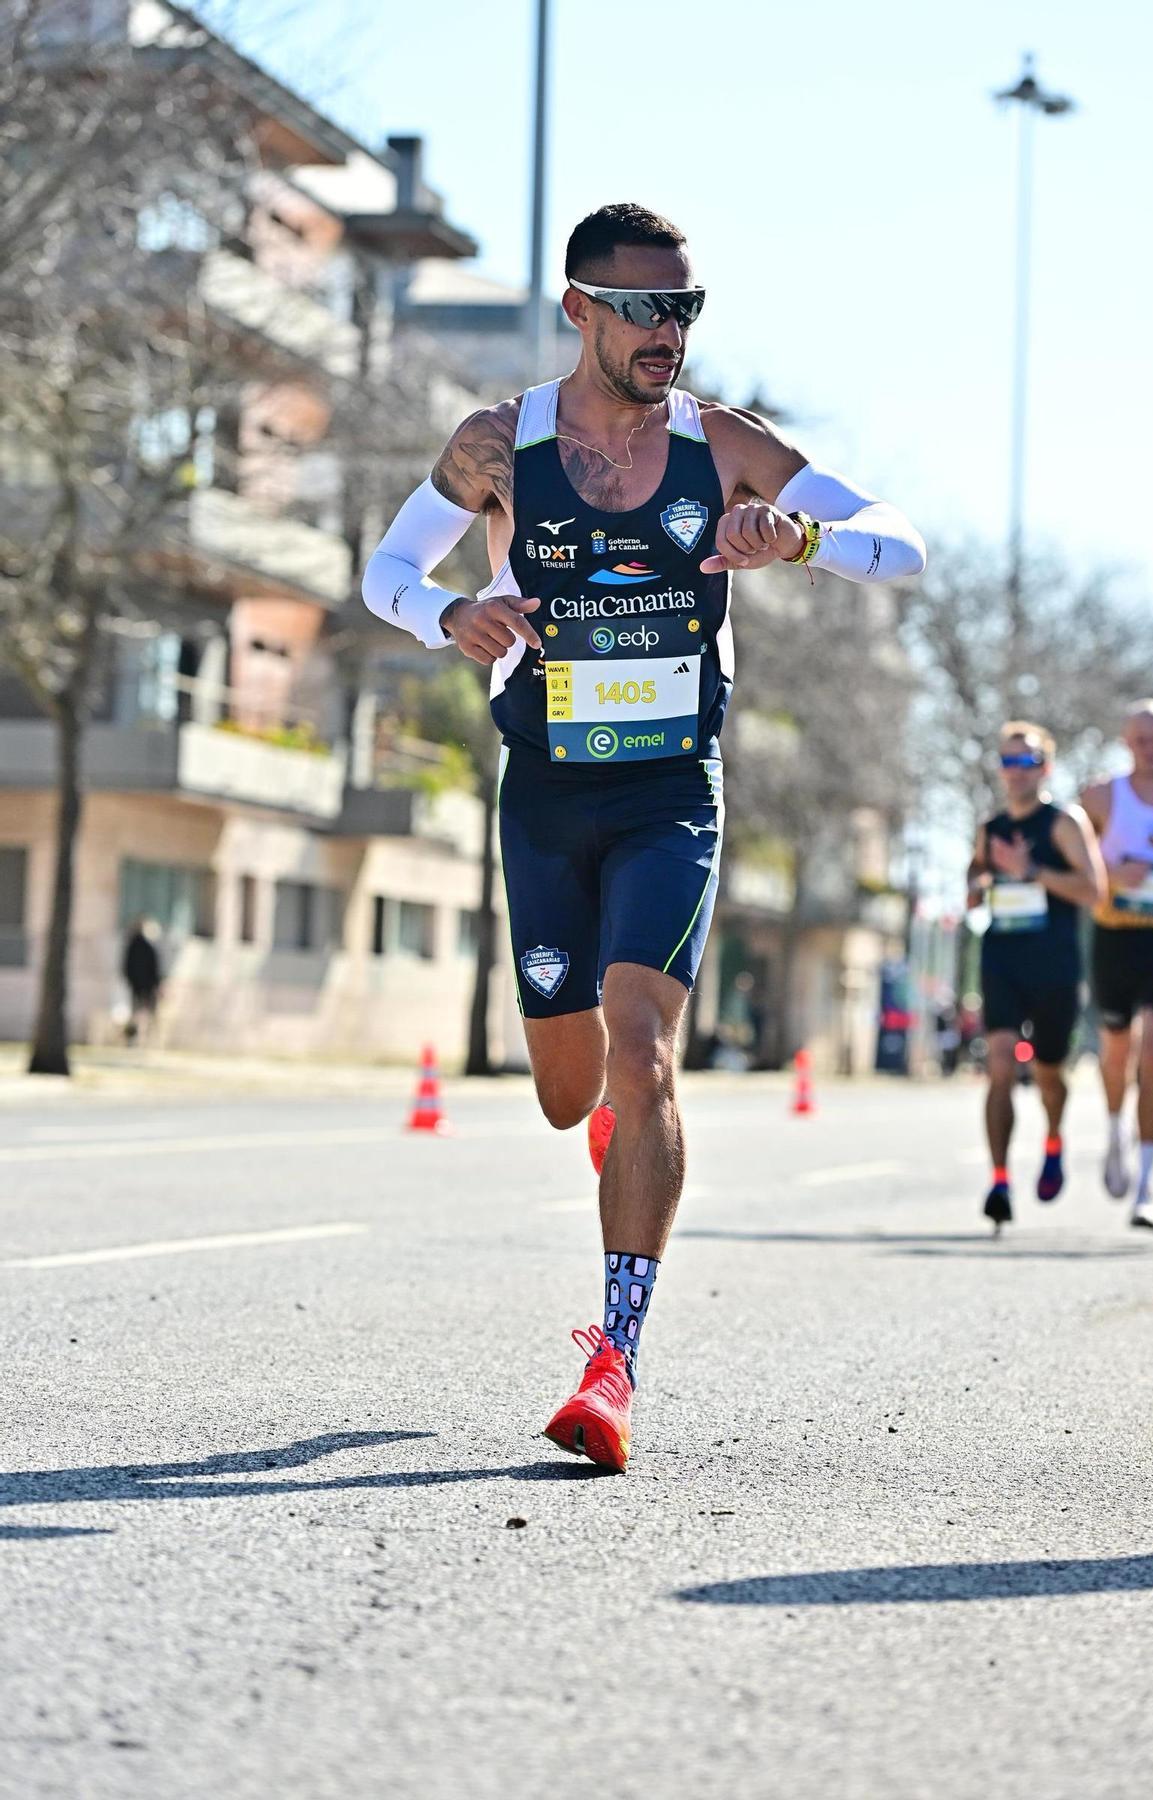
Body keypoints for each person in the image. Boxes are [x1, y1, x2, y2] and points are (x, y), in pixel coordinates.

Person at [362, 202, 925, 1469]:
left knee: (642, 1048)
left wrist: (804, 540)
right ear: (581, 309)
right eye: (647, 309)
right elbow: (387, 570)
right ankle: (615, 1123)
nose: (671, 332)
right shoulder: (500, 445)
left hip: (673, 790)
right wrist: (444, 617)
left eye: (688, 308)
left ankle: (613, 1363)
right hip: (547, 791)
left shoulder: (723, 444)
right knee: (570, 1096)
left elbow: (905, 547)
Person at [966, 723, 1104, 1229]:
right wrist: (980, 882)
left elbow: (1094, 890)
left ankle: (1053, 1138)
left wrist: (1033, 873)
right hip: (1002, 957)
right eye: (1007, 761)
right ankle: (999, 1182)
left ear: (1045, 767)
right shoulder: (991, 826)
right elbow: (973, 876)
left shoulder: (1064, 822)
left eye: (1025, 762)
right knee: (1000, 1065)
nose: (1014, 772)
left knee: (1049, 1072)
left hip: (1055, 965)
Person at [1081, 701, 1153, 1229]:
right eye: (1142, 740)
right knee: (1117, 1053)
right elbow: (1072, 859)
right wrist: (1110, 873)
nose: (1152, 749)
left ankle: (1147, 1183)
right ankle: (1114, 1133)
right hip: (1115, 937)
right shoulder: (1101, 796)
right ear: (1126, 742)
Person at [121, 918, 162, 1046]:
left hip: (137, 985)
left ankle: (136, 1039)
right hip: (145, 986)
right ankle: (143, 1039)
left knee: (136, 1013)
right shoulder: (147, 947)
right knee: (145, 1013)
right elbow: (154, 968)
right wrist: (155, 984)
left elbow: (126, 966)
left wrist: (131, 980)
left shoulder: (133, 946)